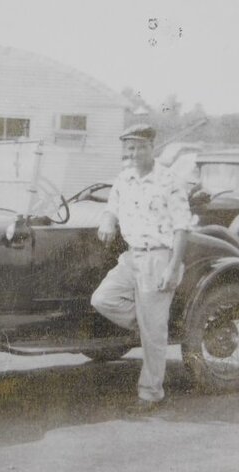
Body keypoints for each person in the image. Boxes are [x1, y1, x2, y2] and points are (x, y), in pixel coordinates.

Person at [90, 124, 193, 414]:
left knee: (153, 330)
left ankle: (151, 394)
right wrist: (108, 221)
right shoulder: (124, 179)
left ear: (152, 147)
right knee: (102, 299)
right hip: (131, 256)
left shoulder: (169, 180)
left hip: (158, 257)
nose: (133, 153)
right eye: (129, 148)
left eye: (139, 147)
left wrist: (173, 268)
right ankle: (153, 330)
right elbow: (111, 206)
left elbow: (183, 228)